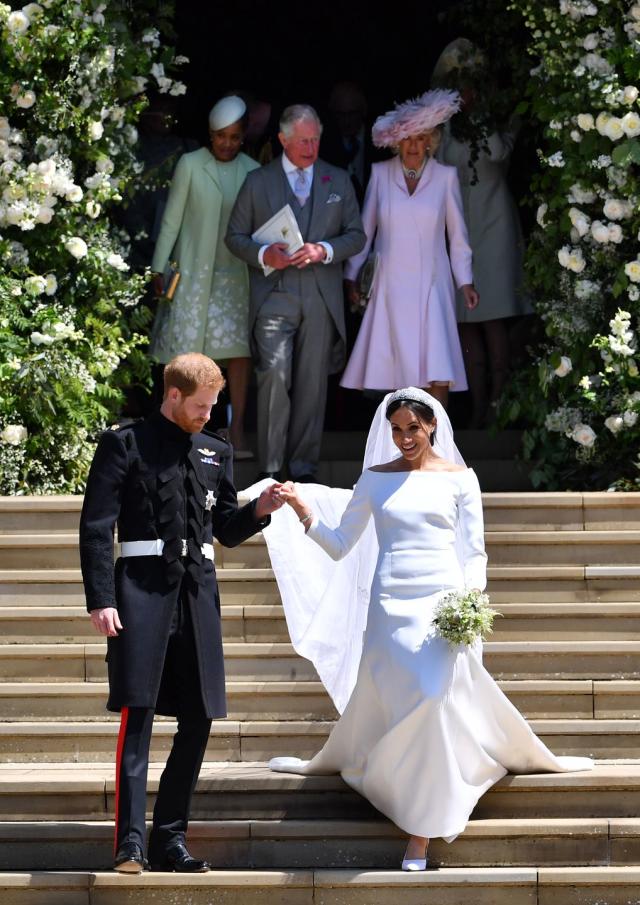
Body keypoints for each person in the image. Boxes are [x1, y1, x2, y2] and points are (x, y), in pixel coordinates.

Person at [262, 387, 591, 870]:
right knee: (410, 700)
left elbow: (474, 551)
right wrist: (302, 512)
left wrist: (470, 604)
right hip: (391, 606)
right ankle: (404, 790)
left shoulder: (462, 479)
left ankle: (420, 833)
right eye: (396, 430)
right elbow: (338, 545)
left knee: (434, 695)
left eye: (412, 428)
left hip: (444, 605)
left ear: (431, 425)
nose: (404, 438)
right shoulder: (375, 480)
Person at [79, 353, 283, 874]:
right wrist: (102, 598)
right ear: (172, 395)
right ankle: (130, 843)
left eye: (214, 405)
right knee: (139, 716)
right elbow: (97, 527)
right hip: (140, 596)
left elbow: (226, 530)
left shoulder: (215, 450)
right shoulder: (123, 444)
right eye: (199, 406)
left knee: (199, 718)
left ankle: (170, 837)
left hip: (199, 597)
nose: (208, 415)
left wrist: (260, 511)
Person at [225, 103, 366, 482]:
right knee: (273, 374)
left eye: (315, 139)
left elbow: (357, 235)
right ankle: (270, 468)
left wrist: (325, 250)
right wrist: (262, 253)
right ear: (283, 140)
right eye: (303, 140)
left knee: (312, 384)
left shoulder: (337, 180)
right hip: (274, 294)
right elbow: (233, 237)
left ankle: (303, 470)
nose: (311, 147)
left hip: (321, 295)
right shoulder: (258, 181)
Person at [341, 90, 480, 409]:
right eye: (407, 139)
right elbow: (365, 230)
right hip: (391, 283)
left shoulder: (445, 177)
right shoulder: (380, 174)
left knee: (437, 364)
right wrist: (352, 277)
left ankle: (438, 445)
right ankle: (402, 448)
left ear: (431, 140)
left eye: (420, 139)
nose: (414, 146)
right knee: (397, 367)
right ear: (396, 142)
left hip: (433, 281)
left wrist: (465, 281)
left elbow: (457, 235)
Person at [150, 96, 259, 457]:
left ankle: (237, 430)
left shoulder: (252, 170)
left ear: (244, 137)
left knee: (238, 353)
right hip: (192, 273)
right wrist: (158, 267)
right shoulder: (190, 164)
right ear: (209, 135)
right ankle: (176, 430)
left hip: (234, 275)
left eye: (234, 137)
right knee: (184, 357)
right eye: (219, 136)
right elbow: (172, 219)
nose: (226, 143)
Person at [433, 38, 531, 426]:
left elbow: (498, 154)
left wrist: (482, 116)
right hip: (459, 230)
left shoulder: (497, 120)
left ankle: (498, 401)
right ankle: (475, 405)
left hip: (494, 227)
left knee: (493, 317)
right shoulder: (445, 127)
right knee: (465, 322)